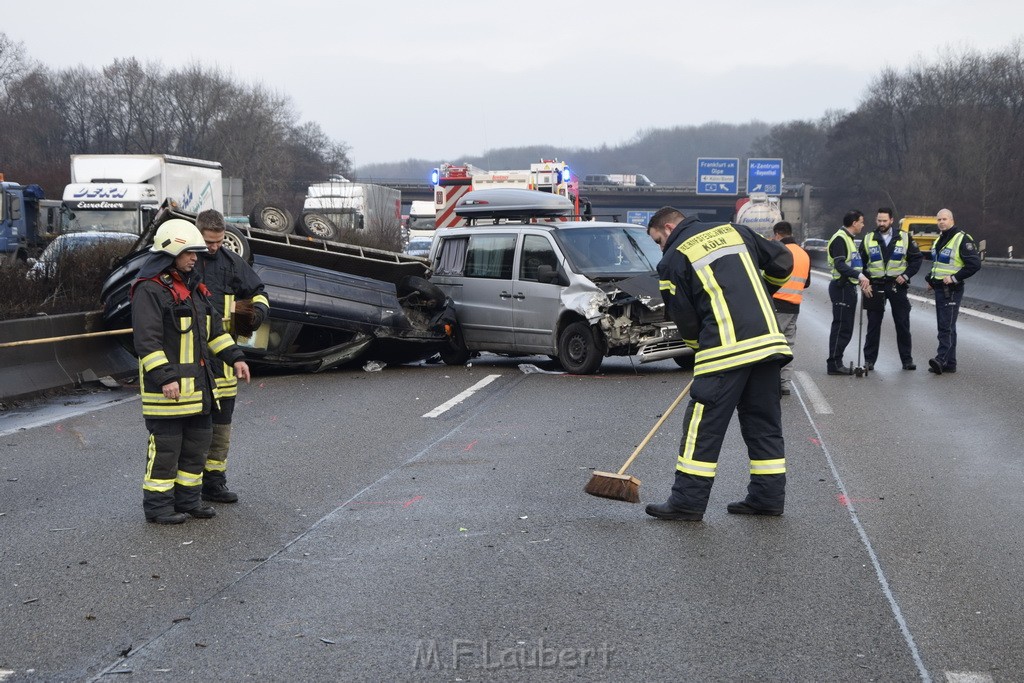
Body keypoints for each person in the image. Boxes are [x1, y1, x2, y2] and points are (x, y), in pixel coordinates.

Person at [644, 207, 793, 521]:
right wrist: (762, 293)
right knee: (764, 425)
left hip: (724, 352)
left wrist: (702, 350)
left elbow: (685, 319)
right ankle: (767, 498)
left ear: (668, 228)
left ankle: (686, 503)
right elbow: (783, 262)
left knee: (702, 429)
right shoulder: (734, 231)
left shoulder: (672, 260)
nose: (660, 247)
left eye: (658, 240)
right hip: (768, 344)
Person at [131, 219, 251, 524]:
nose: (195, 257)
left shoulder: (194, 288)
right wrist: (165, 378)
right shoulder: (150, 290)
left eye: (196, 252)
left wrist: (235, 357)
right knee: (167, 451)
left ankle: (188, 501)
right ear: (171, 253)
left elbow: (214, 332)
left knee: (197, 449)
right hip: (168, 391)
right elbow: (147, 342)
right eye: (189, 253)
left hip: (198, 390)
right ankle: (158, 508)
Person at [194, 209, 270, 504]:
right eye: (208, 241)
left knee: (221, 428)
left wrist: (258, 312)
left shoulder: (231, 262)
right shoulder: (187, 261)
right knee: (194, 428)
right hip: (195, 358)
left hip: (225, 360)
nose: (213, 247)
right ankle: (189, 486)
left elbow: (257, 290)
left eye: (218, 241)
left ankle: (215, 483)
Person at [858, 208, 923, 371]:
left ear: (892, 220)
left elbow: (916, 259)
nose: (881, 224)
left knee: (902, 324)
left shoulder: (904, 238)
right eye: (879, 220)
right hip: (875, 286)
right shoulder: (868, 239)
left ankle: (907, 360)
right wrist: (865, 282)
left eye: (884, 221)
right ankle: (869, 361)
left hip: (896, 286)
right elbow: (860, 264)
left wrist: (906, 275)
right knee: (873, 324)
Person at [925, 208, 981, 374]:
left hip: (952, 289)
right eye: (939, 220)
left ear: (952, 220)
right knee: (949, 326)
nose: (941, 222)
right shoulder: (939, 240)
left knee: (945, 326)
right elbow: (938, 265)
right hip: (940, 288)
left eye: (944, 219)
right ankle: (950, 363)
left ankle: (941, 359)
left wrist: (955, 277)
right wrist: (931, 279)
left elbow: (974, 264)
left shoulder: (962, 238)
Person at [826, 210, 872, 375]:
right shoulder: (840, 239)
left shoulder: (849, 240)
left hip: (848, 288)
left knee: (846, 327)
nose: (863, 225)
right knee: (841, 327)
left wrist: (861, 281)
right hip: (841, 288)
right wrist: (859, 276)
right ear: (854, 223)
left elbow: (853, 264)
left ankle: (837, 361)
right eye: (861, 221)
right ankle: (834, 364)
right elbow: (840, 264)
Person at [770, 221, 810, 395]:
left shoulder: (779, 252)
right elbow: (806, 282)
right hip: (794, 307)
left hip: (777, 305)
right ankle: (785, 384)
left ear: (778, 234)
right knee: (788, 347)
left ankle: (771, 384)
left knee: (771, 347)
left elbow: (768, 277)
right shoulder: (804, 254)